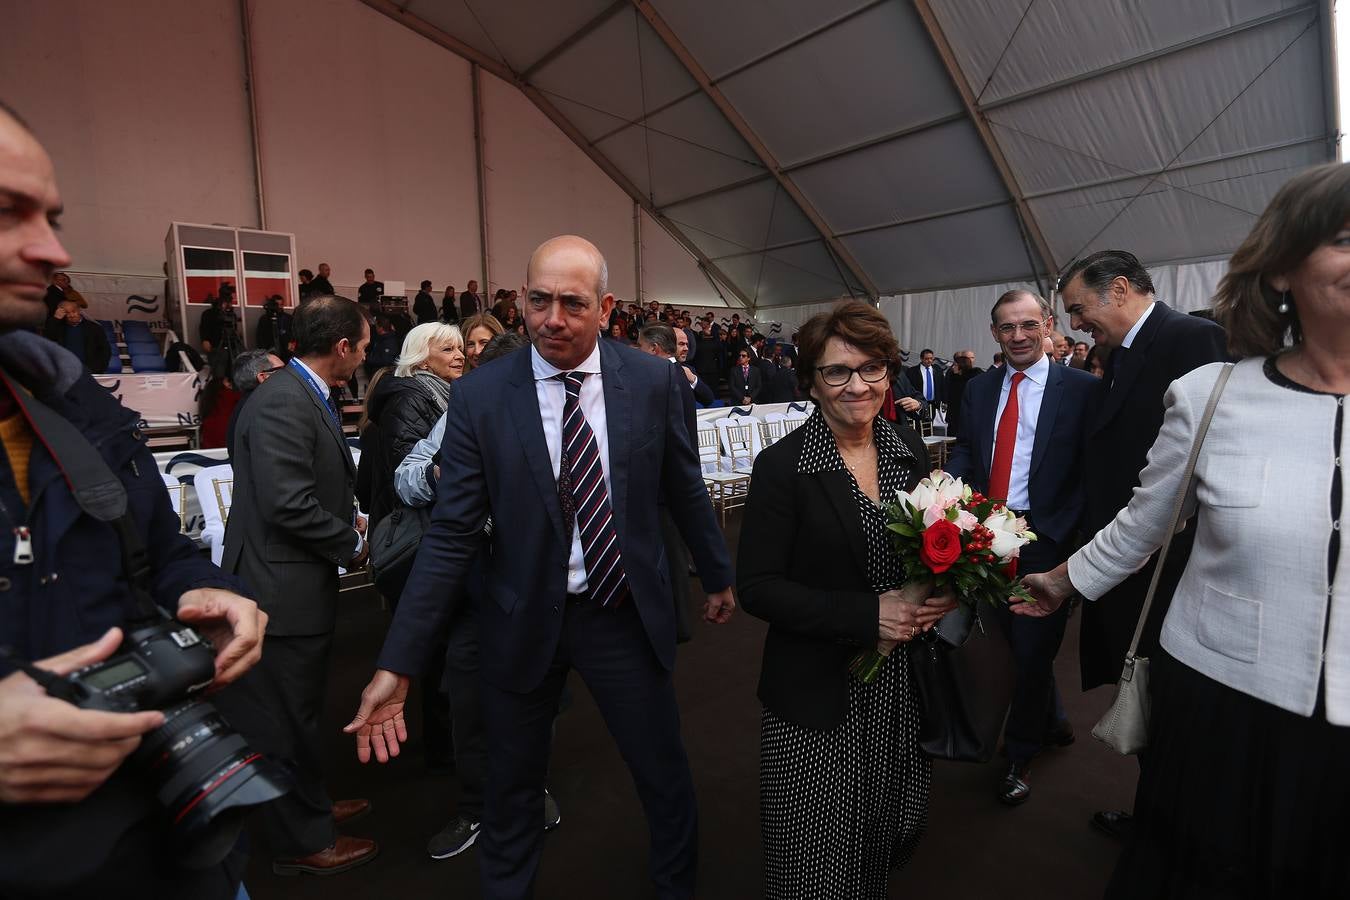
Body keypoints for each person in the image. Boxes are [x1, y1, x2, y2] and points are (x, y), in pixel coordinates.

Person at [347, 235, 736, 900]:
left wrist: (717, 571)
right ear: (520, 300)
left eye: (572, 303)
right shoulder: (483, 395)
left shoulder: (651, 381)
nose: (552, 317)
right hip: (523, 614)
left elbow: (684, 484)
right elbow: (451, 535)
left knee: (663, 776)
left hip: (622, 614)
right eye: (537, 300)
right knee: (509, 790)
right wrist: (399, 661)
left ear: (606, 306)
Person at [1014, 161, 1350, 897]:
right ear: (1284, 266)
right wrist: (1062, 580)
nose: (1073, 327)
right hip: (1223, 710)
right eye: (1346, 238)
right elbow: (1147, 518)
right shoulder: (1215, 394)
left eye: (1077, 310)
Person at [0, 96, 266, 900]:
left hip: (166, 844)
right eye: (8, 213)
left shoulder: (72, 402)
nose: (53, 250)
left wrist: (203, 591)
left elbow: (160, 554)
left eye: (50, 216)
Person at [737, 300, 957, 899]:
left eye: (871, 368)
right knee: (815, 845)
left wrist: (942, 592)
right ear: (810, 381)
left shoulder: (905, 449)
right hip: (815, 687)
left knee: (885, 822)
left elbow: (923, 550)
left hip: (897, 685)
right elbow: (757, 587)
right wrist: (867, 616)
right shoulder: (783, 466)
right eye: (837, 371)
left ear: (889, 372)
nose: (857, 385)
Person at [1057, 249, 1227, 838]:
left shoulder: (1191, 339)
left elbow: (1198, 467)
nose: (1075, 324)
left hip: (1166, 562)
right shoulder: (1123, 352)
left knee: (1169, 701)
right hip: (1130, 558)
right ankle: (1161, 815)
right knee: (1148, 700)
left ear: (1120, 289)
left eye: (1079, 309)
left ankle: (1179, 829)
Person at [212, 295, 378, 876]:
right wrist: (350, 541)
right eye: (360, 347)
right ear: (340, 348)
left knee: (299, 713)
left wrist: (343, 515)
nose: (362, 357)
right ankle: (300, 839)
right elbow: (287, 504)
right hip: (278, 590)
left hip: (286, 580)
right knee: (285, 720)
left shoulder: (298, 392)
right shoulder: (284, 400)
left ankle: (310, 808)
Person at [944, 290, 1096, 805]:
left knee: (1031, 652)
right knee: (1003, 642)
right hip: (986, 536)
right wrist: (950, 499)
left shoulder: (1080, 389)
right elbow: (968, 447)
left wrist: (1073, 543)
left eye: (1029, 325)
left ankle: (1019, 753)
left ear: (1048, 325)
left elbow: (1089, 468)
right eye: (1007, 328)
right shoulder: (980, 389)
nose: (1019, 336)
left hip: (1046, 541)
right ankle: (1051, 721)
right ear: (994, 333)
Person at [226, 348, 283, 457]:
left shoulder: (245, 406)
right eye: (282, 370)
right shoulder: (266, 410)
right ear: (263, 377)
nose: (290, 375)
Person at [43, 298, 110, 372]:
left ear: (79, 311)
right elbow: (48, 338)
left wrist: (99, 368)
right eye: (67, 313)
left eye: (74, 311)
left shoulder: (94, 328)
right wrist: (55, 319)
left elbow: (105, 350)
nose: (71, 315)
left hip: (90, 370)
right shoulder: (59, 328)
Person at [944, 349, 982, 436]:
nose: (953, 367)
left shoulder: (969, 381)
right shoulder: (954, 378)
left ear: (961, 366)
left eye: (955, 365)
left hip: (964, 418)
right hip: (954, 418)